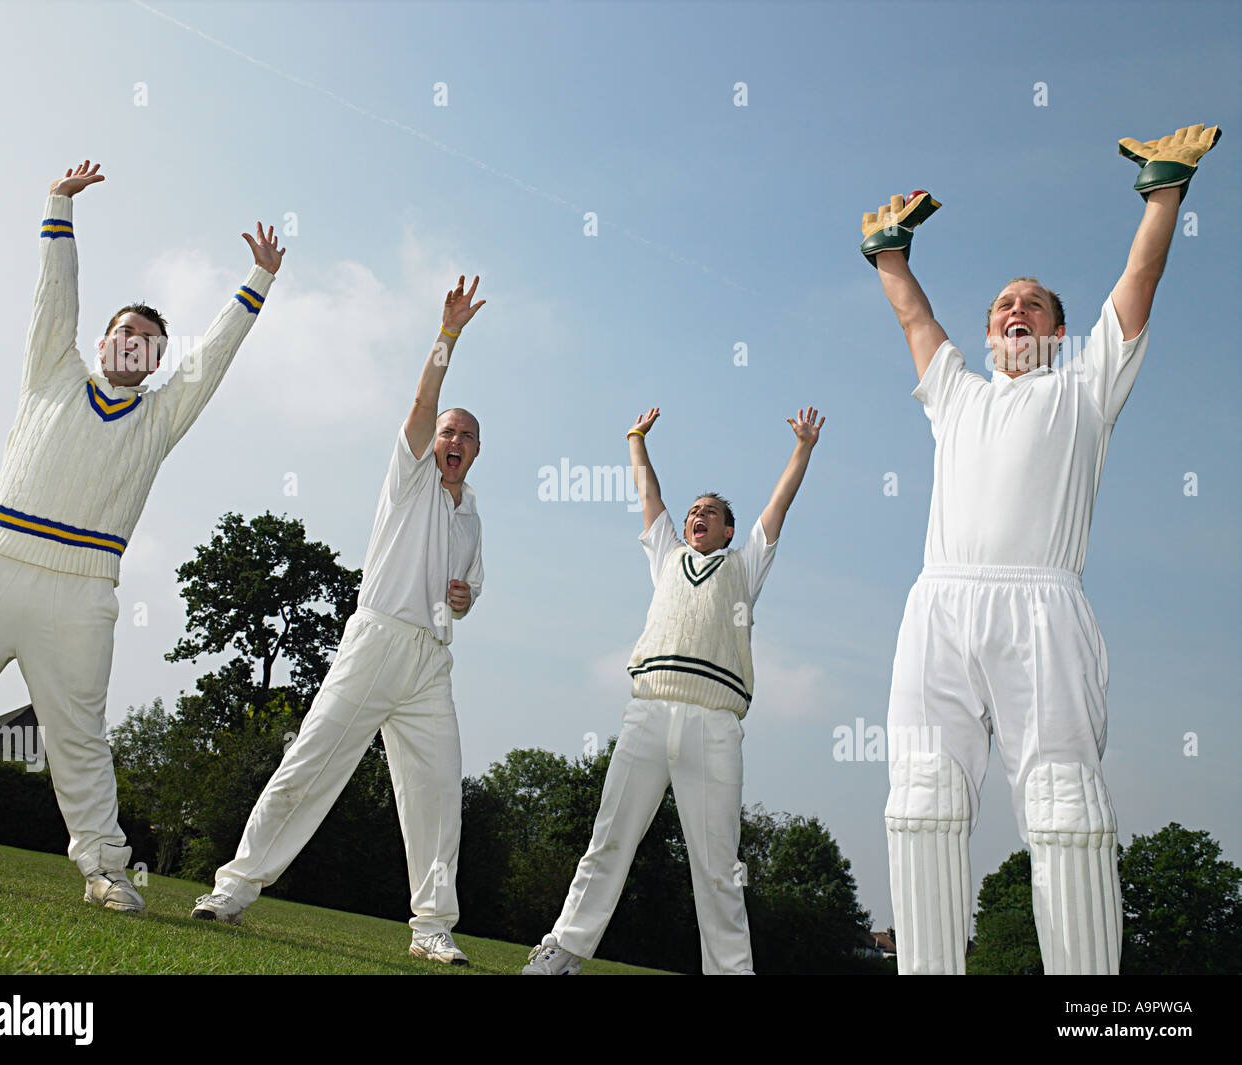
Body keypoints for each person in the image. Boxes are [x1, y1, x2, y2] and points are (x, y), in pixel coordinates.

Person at [862, 124, 1219, 974]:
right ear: (988, 335)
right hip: (939, 605)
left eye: (1032, 304)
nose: (1014, 310)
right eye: (1001, 305)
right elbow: (914, 314)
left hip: (1043, 609)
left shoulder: (1087, 385)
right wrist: (888, 254)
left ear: (1059, 331)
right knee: (921, 801)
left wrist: (1163, 191)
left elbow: (1141, 278)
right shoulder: (955, 391)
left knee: (1064, 806)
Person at [0, 160, 284, 913]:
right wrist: (58, 207)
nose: (135, 342)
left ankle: (104, 869)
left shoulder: (159, 419)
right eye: (125, 331)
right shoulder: (50, 373)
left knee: (80, 743)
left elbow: (212, 362)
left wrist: (255, 284)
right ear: (102, 343)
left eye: (150, 340)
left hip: (83, 593)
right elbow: (52, 301)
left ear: (157, 362)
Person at [192, 276, 486, 967]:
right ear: (432, 439)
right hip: (376, 639)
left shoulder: (472, 513)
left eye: (466, 436)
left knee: (440, 794)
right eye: (448, 430)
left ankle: (431, 927)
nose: (453, 438)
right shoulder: (409, 476)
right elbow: (422, 400)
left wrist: (463, 600)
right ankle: (233, 887)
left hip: (430, 665)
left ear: (475, 453)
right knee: (311, 762)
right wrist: (447, 338)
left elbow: (468, 592)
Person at [523, 404, 825, 975]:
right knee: (608, 842)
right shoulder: (667, 558)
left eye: (709, 512)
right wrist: (636, 439)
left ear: (728, 530)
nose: (697, 517)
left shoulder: (744, 566)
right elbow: (648, 495)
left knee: (716, 867)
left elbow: (777, 507)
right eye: (693, 511)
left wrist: (803, 449)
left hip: (713, 726)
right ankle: (561, 953)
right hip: (648, 714)